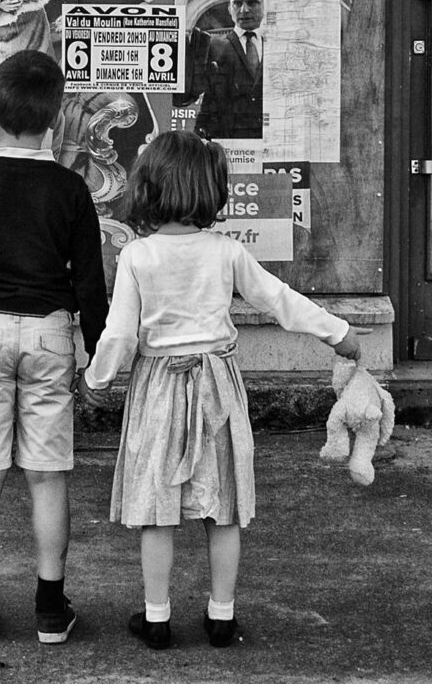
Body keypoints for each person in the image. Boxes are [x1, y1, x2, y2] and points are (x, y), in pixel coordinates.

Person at [77, 130, 370, 649]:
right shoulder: (225, 252)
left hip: (159, 389)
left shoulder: (138, 257)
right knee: (224, 505)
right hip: (218, 388)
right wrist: (339, 333)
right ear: (210, 190)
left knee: (157, 508)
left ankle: (157, 617)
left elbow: (120, 333)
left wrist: (95, 379)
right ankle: (221, 616)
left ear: (147, 187)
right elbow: (279, 299)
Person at [0, 49, 108, 645]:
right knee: (47, 475)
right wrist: (99, 353)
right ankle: (51, 608)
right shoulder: (70, 189)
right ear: (53, 117)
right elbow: (89, 281)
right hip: (50, 332)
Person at [194, 0, 265, 139]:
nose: (244, 10)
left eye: (252, 3)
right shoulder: (211, 47)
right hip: (226, 144)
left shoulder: (280, 45)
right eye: (237, 3)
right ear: (229, 9)